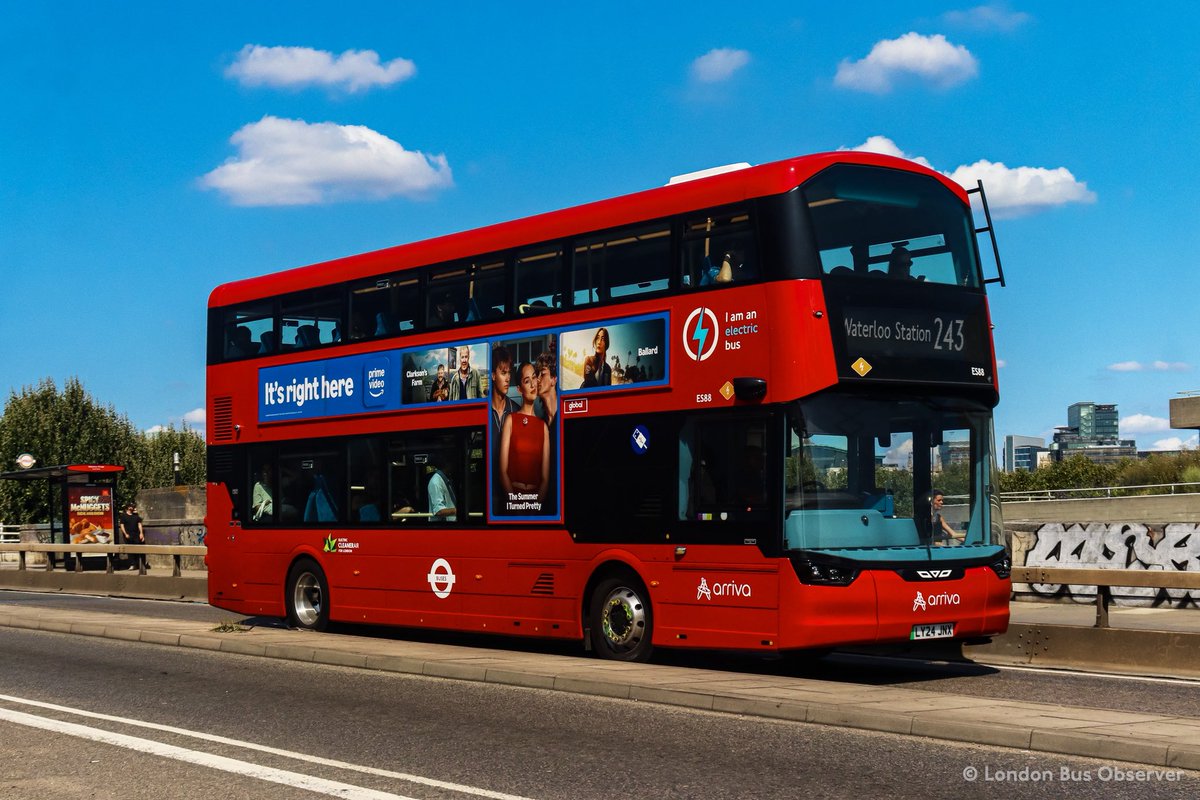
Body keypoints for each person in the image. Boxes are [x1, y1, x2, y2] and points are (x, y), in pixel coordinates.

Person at [499, 362, 551, 508]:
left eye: (534, 378)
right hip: (512, 500)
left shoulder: (543, 427)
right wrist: (515, 505)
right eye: (527, 381)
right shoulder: (510, 420)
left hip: (536, 503)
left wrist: (534, 508)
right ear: (520, 389)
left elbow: (546, 479)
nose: (533, 384)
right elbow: (502, 472)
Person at [119, 502, 147, 571]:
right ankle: (132, 564)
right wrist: (125, 534)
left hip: (136, 535)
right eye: (131, 506)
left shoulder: (136, 516)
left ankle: (139, 564)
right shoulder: (123, 516)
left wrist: (141, 533)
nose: (132, 507)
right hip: (128, 535)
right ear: (128, 507)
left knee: (138, 549)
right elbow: (122, 526)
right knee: (130, 550)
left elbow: (139, 524)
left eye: (133, 506)